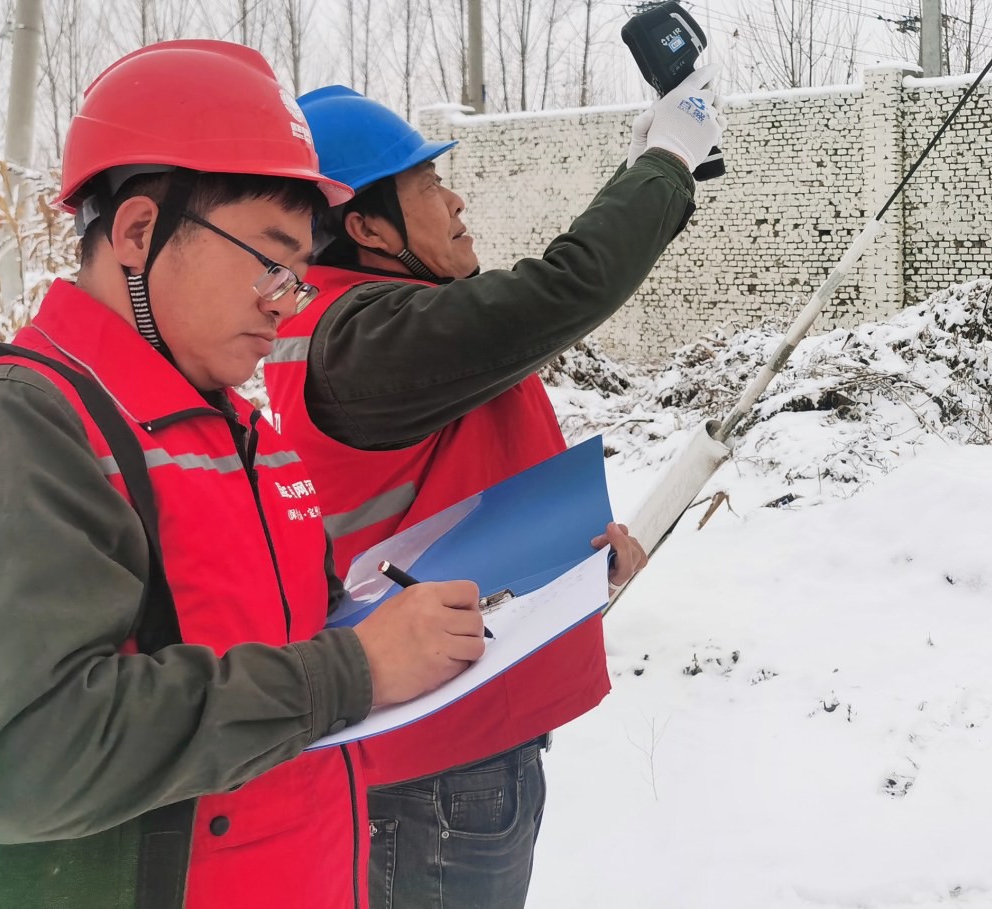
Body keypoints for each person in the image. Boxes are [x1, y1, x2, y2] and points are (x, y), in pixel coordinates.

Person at [0, 41, 486, 909]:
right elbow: (25, 758)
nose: (284, 299)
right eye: (268, 258)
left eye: (296, 272)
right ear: (140, 231)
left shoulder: (242, 426)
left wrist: (523, 574)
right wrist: (352, 671)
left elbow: (293, 627)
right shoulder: (13, 423)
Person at [263, 66, 720, 909]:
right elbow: (561, 291)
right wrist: (665, 163)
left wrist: (567, 562)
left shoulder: (385, 322)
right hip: (436, 767)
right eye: (429, 182)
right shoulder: (364, 336)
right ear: (364, 224)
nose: (456, 199)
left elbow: (451, 490)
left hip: (466, 740)